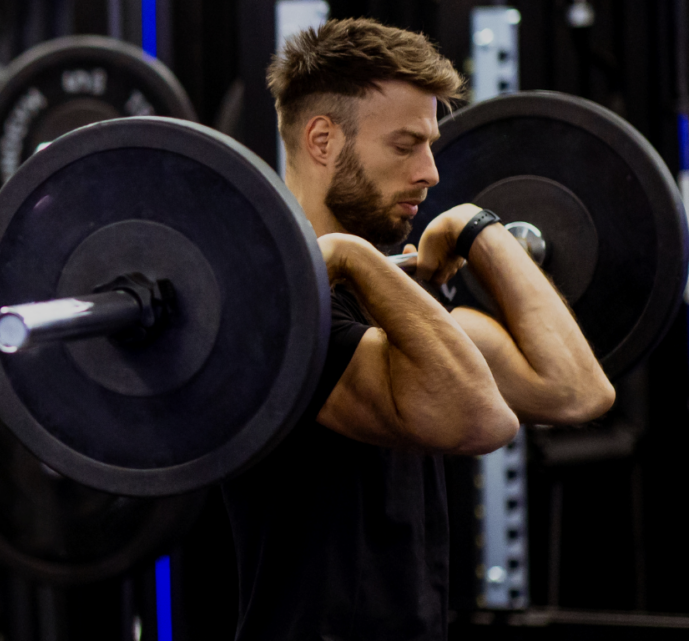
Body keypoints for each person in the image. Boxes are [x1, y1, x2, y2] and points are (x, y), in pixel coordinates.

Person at [222, 17, 615, 640]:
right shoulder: (279, 316)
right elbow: (482, 420)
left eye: (431, 144)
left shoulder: (395, 296)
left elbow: (577, 390)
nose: (431, 171)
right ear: (323, 140)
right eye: (405, 145)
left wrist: (478, 228)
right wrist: (349, 254)